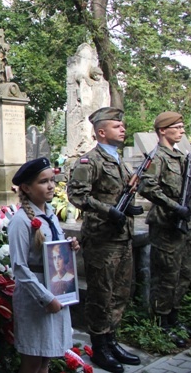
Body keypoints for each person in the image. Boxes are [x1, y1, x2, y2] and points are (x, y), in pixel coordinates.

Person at [67, 107, 142, 373]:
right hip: (102, 238)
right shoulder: (89, 161)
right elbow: (77, 196)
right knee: (101, 294)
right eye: (116, 126)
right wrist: (108, 210)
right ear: (101, 132)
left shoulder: (119, 160)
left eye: (121, 126)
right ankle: (99, 346)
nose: (122, 129)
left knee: (120, 293)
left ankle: (112, 340)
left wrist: (128, 207)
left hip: (122, 237)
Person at [8, 157, 80, 373]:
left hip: (57, 290)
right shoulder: (21, 221)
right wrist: (46, 298)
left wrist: (70, 246)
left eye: (52, 180)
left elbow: (53, 248)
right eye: (43, 181)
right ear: (27, 188)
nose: (51, 186)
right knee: (32, 360)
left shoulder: (50, 214)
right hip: (36, 296)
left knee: (46, 357)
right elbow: (19, 267)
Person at [138, 111, 191, 347]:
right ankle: (162, 323)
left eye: (182, 126)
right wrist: (174, 207)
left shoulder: (180, 156)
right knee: (166, 276)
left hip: (183, 226)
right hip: (165, 224)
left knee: (183, 274)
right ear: (163, 130)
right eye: (177, 127)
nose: (182, 130)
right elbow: (147, 187)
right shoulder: (156, 157)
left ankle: (174, 317)